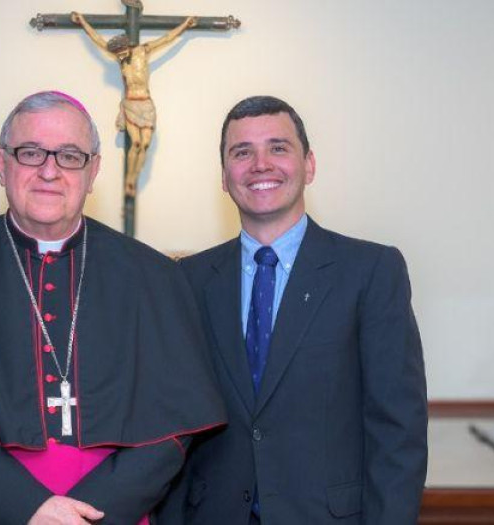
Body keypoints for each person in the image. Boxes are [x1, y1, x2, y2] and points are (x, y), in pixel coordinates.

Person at [0, 91, 226, 525]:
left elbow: (172, 433)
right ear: (1, 165)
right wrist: (28, 512)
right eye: (31, 153)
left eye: (70, 156)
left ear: (93, 171)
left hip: (116, 514)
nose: (50, 171)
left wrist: (90, 515)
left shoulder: (154, 277)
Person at [161, 96, 428, 523]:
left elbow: (398, 431)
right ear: (224, 178)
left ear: (309, 165)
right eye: (242, 152)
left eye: (278, 148)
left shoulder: (370, 272)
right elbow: (172, 425)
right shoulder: (187, 280)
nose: (260, 164)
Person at [71, 11, 196, 198]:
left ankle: (134, 178)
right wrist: (82, 21)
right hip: (130, 104)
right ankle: (130, 182)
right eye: (118, 56)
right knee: (136, 143)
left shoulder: (142, 51)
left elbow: (167, 38)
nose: (120, 58)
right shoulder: (120, 58)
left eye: (122, 54)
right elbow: (96, 38)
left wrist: (185, 24)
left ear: (127, 47)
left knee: (144, 145)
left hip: (146, 104)